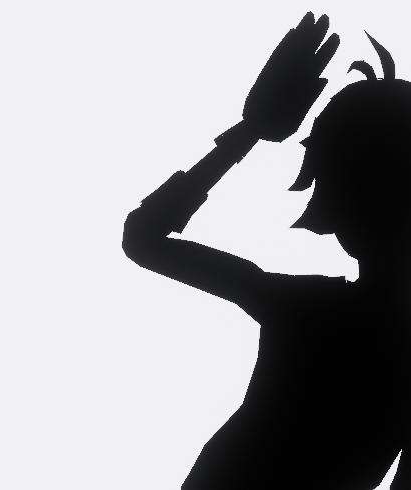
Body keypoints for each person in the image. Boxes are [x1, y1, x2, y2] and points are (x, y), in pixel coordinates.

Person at [122, 12, 410, 489]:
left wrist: (249, 133)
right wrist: (249, 130)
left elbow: (145, 238)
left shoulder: (304, 307)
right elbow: (144, 240)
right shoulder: (306, 306)